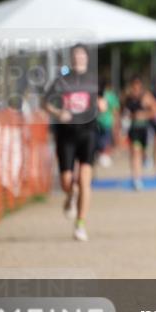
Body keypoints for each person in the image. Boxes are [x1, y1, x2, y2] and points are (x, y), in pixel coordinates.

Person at [43, 44, 107, 241]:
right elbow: (46, 102)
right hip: (66, 134)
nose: (79, 58)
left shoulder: (95, 80)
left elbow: (103, 102)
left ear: (87, 58)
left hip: (88, 132)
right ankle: (71, 195)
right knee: (66, 181)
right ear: (71, 58)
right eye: (76, 55)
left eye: (82, 55)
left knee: (84, 181)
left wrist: (102, 106)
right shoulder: (62, 81)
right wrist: (58, 112)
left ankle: (80, 224)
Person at [122, 76, 156, 191]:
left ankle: (145, 162)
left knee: (142, 153)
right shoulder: (128, 98)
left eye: (138, 85)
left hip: (144, 129)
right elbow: (122, 111)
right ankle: (136, 179)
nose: (136, 88)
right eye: (134, 85)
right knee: (135, 153)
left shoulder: (146, 97)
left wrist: (144, 115)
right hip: (133, 129)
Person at [95, 77, 119, 168]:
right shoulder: (93, 95)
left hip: (107, 124)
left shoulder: (110, 96)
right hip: (95, 125)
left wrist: (116, 124)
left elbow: (115, 111)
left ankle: (105, 157)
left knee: (105, 144)